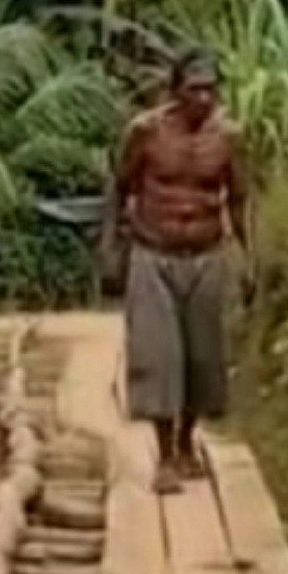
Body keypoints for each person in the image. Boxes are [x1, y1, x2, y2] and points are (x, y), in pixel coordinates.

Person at [106, 51, 249, 494]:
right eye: (194, 89)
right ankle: (165, 456)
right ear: (175, 91)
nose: (203, 98)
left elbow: (239, 199)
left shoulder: (229, 138)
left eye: (211, 89)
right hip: (154, 252)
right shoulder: (146, 132)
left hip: (207, 253)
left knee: (202, 357)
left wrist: (250, 257)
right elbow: (120, 187)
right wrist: (110, 248)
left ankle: (188, 444)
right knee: (158, 355)